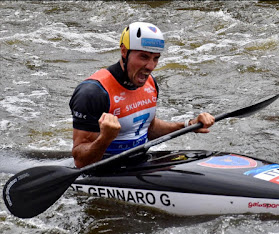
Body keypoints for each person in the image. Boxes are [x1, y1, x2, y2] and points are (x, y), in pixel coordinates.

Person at [69, 22, 215, 169]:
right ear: (124, 52)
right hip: (104, 170)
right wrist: (106, 138)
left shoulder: (150, 83)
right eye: (144, 57)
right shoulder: (93, 93)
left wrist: (188, 125)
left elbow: (148, 128)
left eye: (155, 58)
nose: (151, 66)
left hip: (139, 162)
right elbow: (81, 162)